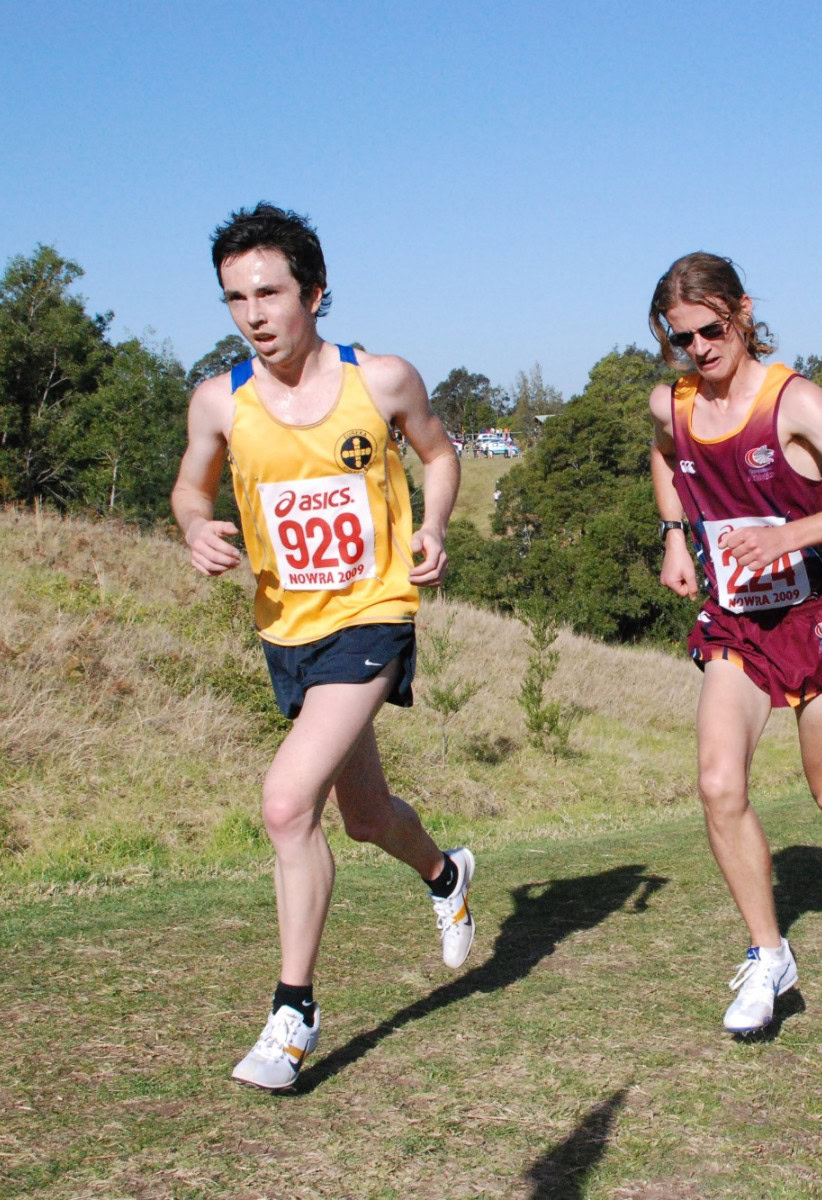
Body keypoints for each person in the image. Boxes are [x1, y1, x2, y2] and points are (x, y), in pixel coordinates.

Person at [170, 204, 477, 1091]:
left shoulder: (378, 381)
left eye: (270, 292)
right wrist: (197, 529)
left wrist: (435, 524)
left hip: (372, 615)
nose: (254, 314)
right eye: (235, 297)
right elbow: (190, 491)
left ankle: (292, 1013)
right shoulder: (219, 402)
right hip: (287, 631)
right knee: (365, 815)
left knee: (284, 801)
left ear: (314, 291)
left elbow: (439, 453)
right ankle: (443, 870)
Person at [648, 252, 822, 1034]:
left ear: (743, 313)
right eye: (681, 337)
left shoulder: (795, 401)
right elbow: (662, 455)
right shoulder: (673, 403)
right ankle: (769, 955)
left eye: (711, 330)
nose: (699, 349)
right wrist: (675, 537)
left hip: (811, 616)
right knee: (719, 785)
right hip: (733, 622)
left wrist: (789, 534)